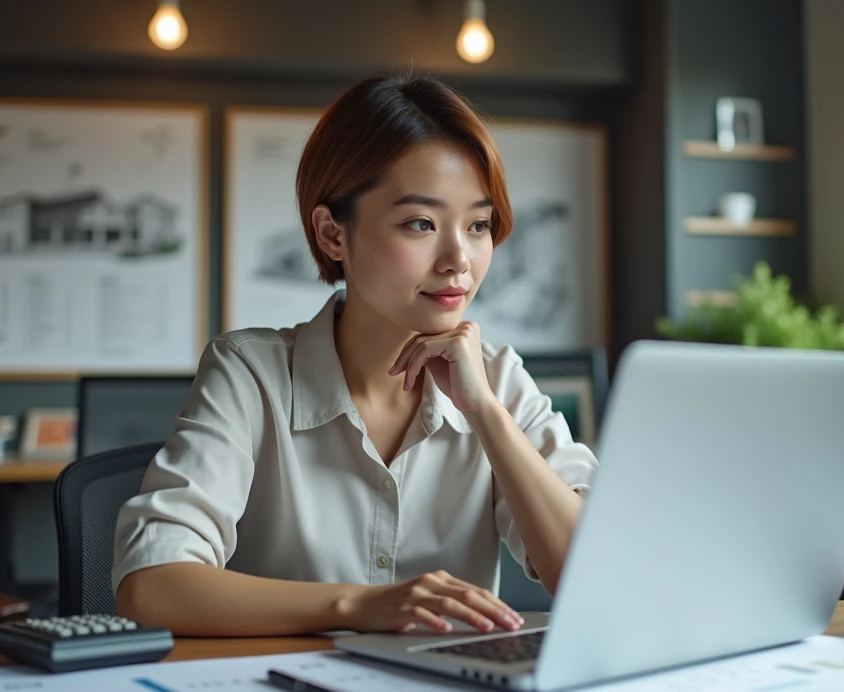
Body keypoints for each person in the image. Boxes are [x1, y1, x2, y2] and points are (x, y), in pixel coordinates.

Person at [113, 73, 598, 638]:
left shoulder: (499, 380)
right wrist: (357, 606)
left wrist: (486, 413)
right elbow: (151, 587)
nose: (458, 259)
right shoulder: (251, 373)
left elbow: (591, 577)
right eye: (421, 223)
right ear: (332, 235)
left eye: (479, 225)